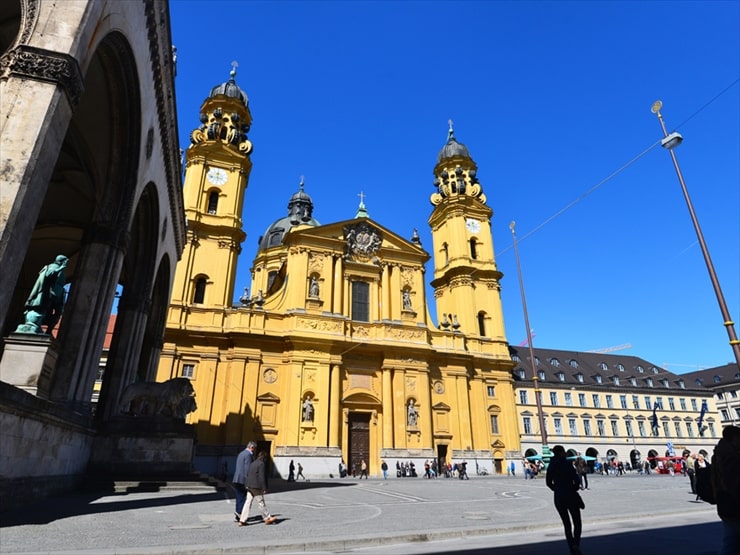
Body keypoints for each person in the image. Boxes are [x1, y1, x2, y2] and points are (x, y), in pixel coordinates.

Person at [546, 445, 583, 555]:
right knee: (577, 521)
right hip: (570, 495)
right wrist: (574, 488)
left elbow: (548, 482)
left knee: (566, 524)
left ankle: (571, 547)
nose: (565, 453)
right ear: (561, 452)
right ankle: (576, 543)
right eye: (564, 451)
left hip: (558, 497)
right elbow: (576, 480)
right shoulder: (567, 463)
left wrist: (556, 489)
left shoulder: (551, 465)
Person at [17, 255, 68, 334]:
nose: (67, 263)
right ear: (62, 261)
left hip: (56, 295)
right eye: (66, 261)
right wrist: (61, 268)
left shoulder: (58, 269)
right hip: (50, 294)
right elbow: (49, 275)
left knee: (56, 312)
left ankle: (48, 330)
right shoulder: (53, 267)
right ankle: (33, 325)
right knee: (42, 310)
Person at [712, 425, 740, 555]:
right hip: (734, 504)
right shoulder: (732, 456)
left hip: (724, 503)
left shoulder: (718, 455)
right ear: (733, 439)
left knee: (730, 541)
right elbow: (735, 483)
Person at [238, 451, 277, 526]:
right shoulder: (261, 464)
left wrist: (247, 484)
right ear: (264, 458)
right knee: (260, 502)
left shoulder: (253, 463)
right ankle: (267, 518)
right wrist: (264, 488)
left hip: (249, 485)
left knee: (247, 502)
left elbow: (248, 474)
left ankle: (242, 519)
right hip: (256, 486)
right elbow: (261, 477)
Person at [232, 441, 256, 521]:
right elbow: (247, 469)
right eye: (254, 449)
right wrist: (249, 480)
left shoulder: (241, 453)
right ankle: (240, 512)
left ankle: (238, 512)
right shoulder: (248, 455)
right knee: (243, 497)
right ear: (251, 447)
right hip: (243, 479)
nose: (254, 451)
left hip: (236, 478)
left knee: (239, 496)